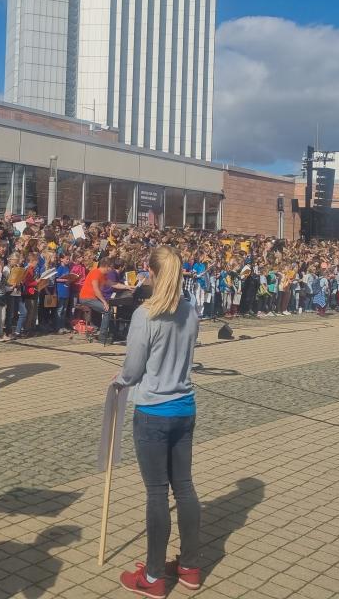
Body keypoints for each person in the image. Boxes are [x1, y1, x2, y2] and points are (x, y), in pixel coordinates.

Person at [113, 246, 201, 598]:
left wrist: (119, 381)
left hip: (154, 410)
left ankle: (152, 576)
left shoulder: (145, 315)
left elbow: (132, 370)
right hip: (184, 406)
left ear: (151, 272)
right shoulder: (191, 311)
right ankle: (191, 566)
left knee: (156, 492)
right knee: (184, 486)